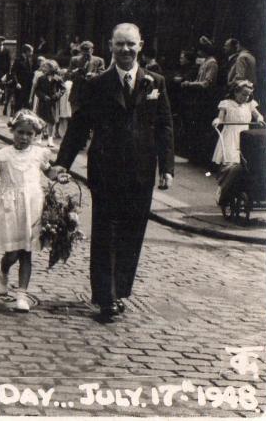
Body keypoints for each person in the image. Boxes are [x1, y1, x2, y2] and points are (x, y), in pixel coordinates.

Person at [54, 23, 174, 323]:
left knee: (132, 234)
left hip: (142, 171)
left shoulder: (155, 82)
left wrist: (167, 168)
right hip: (106, 170)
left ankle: (120, 291)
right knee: (106, 233)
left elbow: (164, 126)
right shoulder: (96, 84)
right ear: (110, 46)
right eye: (120, 44)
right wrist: (62, 163)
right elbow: (79, 127)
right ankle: (105, 297)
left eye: (131, 44)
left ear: (141, 46)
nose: (125, 50)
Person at [0, 110, 64, 312]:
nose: (24, 137)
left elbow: (49, 172)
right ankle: (3, 270)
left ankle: (21, 294)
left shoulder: (38, 154)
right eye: (20, 132)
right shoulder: (3, 156)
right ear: (13, 131)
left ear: (35, 135)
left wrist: (59, 176)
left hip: (33, 207)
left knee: (26, 252)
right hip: (10, 208)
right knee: (12, 253)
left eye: (29, 134)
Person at [212, 80, 265, 165]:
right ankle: (226, 175)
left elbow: (258, 115)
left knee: (243, 161)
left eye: (248, 95)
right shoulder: (226, 104)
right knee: (230, 161)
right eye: (243, 94)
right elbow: (220, 118)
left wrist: (259, 119)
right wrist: (217, 121)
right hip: (230, 136)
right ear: (236, 92)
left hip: (245, 135)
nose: (246, 98)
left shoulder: (249, 104)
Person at [33, 59, 65, 147]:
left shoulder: (57, 78)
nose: (44, 69)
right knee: (41, 119)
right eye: (44, 67)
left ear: (52, 68)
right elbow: (37, 90)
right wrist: (43, 96)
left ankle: (50, 140)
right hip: (43, 102)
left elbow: (63, 89)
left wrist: (57, 95)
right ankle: (39, 137)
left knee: (51, 121)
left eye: (46, 67)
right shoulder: (41, 78)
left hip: (53, 103)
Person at [68, 40, 106, 113]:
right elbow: (69, 75)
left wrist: (93, 75)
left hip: (92, 94)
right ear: (81, 51)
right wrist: (75, 72)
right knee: (76, 119)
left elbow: (103, 75)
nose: (86, 55)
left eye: (88, 52)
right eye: (84, 52)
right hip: (77, 94)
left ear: (92, 50)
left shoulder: (99, 60)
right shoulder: (74, 60)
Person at [9, 44, 36, 115]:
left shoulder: (30, 60)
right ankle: (16, 119)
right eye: (31, 51)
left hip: (28, 85)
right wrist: (17, 83)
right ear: (26, 51)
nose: (32, 53)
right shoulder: (18, 60)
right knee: (18, 104)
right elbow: (13, 72)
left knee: (26, 104)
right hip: (20, 86)